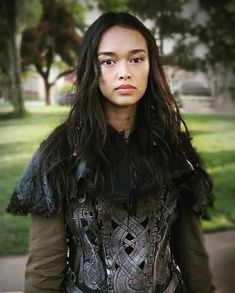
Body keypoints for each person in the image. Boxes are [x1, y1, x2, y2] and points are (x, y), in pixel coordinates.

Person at [7, 12, 215, 293]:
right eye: (108, 61)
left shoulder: (174, 151)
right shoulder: (58, 157)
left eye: (136, 59)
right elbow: (43, 273)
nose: (124, 72)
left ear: (150, 66)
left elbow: (194, 261)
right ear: (92, 68)